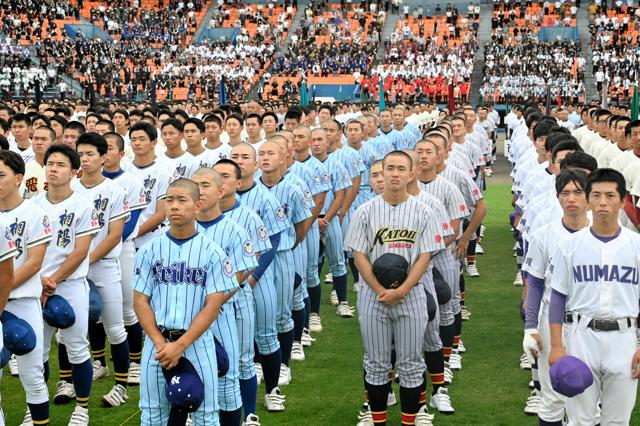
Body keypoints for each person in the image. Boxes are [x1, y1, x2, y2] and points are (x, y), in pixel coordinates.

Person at [345, 150, 445, 425]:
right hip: (372, 295)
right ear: (381, 173)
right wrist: (380, 289)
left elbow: (425, 256)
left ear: (411, 174)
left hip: (410, 295)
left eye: (401, 169)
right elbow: (359, 255)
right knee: (376, 363)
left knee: (411, 363)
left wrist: (401, 291)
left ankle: (410, 420)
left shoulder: (424, 211)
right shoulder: (365, 211)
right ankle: (378, 420)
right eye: (390, 168)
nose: (395, 174)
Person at [133, 178, 237, 425]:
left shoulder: (212, 252)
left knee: (206, 416)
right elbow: (139, 300)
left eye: (182, 200)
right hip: (156, 344)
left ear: (198, 205)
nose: (174, 206)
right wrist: (160, 343)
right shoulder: (149, 250)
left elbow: (213, 306)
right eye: (169, 200)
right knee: (151, 414)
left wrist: (179, 346)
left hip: (197, 343)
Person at [549, 168, 640, 426]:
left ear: (623, 201)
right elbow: (557, 297)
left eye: (610, 195)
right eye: (596, 195)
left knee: (618, 421)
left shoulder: (636, 245)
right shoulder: (570, 245)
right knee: (579, 420)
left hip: (624, 337)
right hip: (581, 335)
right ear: (588, 200)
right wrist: (557, 345)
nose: (603, 202)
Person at [34, 144, 100, 426]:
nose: (53, 169)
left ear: (74, 171)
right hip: (35, 286)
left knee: (76, 347)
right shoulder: (32, 205)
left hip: (69, 284)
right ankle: (34, 406)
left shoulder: (83, 206)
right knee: (36, 350)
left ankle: (82, 408)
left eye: (61, 165)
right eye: (50, 163)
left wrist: (54, 280)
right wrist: (40, 282)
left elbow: (80, 251)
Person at [522, 169, 590, 426]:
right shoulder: (544, 234)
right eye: (565, 193)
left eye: (578, 192)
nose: (571, 198)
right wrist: (529, 327)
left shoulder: (601, 234)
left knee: (589, 400)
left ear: (588, 197)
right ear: (558, 196)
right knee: (552, 396)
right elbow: (536, 283)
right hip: (553, 322)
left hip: (590, 324)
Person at [194, 167, 258, 426]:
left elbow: (243, 270)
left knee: (228, 375)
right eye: (195, 184)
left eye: (206, 184)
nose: (199, 189)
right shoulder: (178, 229)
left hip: (223, 310)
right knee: (191, 374)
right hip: (186, 316)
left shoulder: (234, 229)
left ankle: (249, 414)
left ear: (221, 190)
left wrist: (214, 301)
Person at [72, 133, 131, 407]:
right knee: (69, 329)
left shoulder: (114, 190)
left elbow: (113, 235)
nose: (84, 159)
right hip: (73, 267)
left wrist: (85, 260)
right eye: (80, 154)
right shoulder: (71, 187)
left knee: (115, 328)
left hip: (104, 265)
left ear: (104, 156)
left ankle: (121, 385)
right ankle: (68, 381)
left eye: (90, 154)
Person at [0, 150, 51, 425]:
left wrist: (3, 289)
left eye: (1, 175)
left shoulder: (35, 213)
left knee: (32, 376)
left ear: (19, 178)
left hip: (22, 301)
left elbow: (34, 263)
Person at [102, 132, 148, 385]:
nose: (104, 153)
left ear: (121, 154)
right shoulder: (83, 183)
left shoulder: (130, 181)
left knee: (129, 308)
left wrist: (108, 244)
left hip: (123, 249)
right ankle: (99, 361)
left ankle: (135, 362)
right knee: (95, 310)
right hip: (94, 253)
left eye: (109, 148)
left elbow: (131, 222)